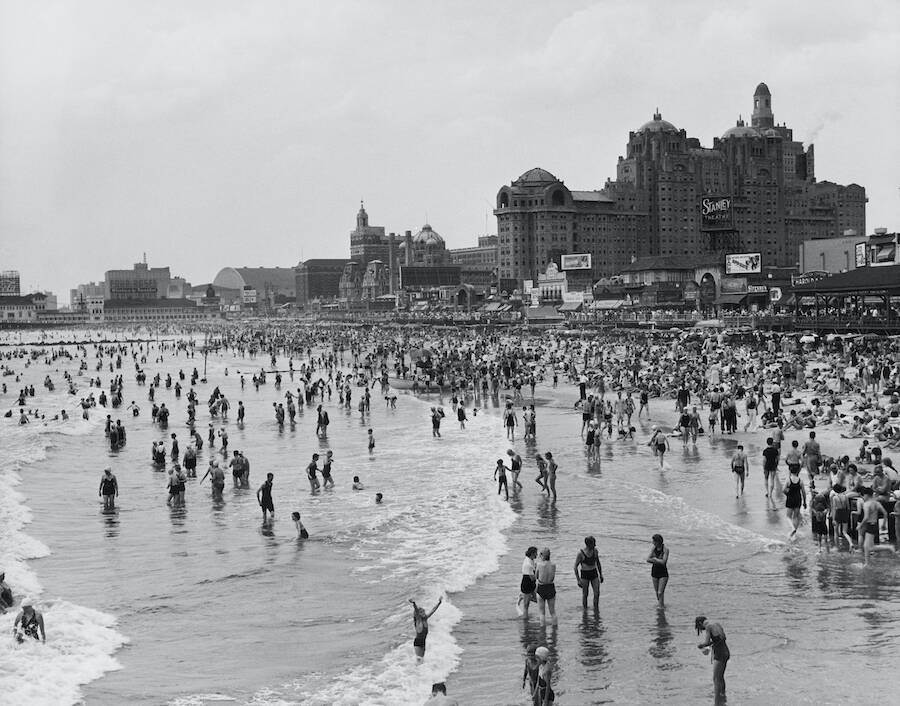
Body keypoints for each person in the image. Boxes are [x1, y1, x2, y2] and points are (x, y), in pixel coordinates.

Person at [695, 616, 729, 704]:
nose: (701, 629)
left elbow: (706, 642)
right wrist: (711, 643)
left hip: (719, 654)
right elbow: (722, 638)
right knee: (721, 677)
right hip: (726, 652)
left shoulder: (708, 627)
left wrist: (701, 645)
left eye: (700, 628)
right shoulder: (717, 624)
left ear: (700, 623)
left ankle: (717, 701)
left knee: (715, 678)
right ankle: (723, 695)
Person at [858, 486, 888, 566]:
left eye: (864, 495)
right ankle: (866, 563)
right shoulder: (877, 503)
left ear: (867, 495)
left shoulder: (866, 504)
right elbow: (885, 513)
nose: (863, 497)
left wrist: (860, 525)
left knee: (868, 547)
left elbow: (866, 517)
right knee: (867, 546)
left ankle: (889, 548)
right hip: (875, 525)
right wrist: (884, 524)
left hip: (869, 525)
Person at [574, 536, 603, 609]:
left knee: (597, 593)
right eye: (593, 544)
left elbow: (598, 563)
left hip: (594, 573)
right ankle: (585, 612)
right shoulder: (580, 553)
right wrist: (578, 580)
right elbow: (575, 567)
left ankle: (596, 610)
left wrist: (601, 575)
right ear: (588, 544)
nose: (595, 545)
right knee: (585, 594)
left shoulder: (595, 551)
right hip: (585, 574)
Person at [535, 548, 557, 625]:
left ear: (542, 555)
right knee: (552, 612)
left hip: (541, 587)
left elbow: (536, 576)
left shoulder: (539, 564)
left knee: (542, 613)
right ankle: (555, 631)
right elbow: (553, 577)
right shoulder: (553, 565)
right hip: (551, 586)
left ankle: (542, 631)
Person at [783, 464, 807, 537]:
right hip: (798, 499)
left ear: (790, 471)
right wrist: (805, 502)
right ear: (798, 472)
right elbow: (803, 492)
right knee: (796, 517)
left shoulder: (788, 480)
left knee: (788, 516)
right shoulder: (800, 481)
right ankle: (794, 534)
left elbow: (783, 490)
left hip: (790, 498)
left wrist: (787, 494)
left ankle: (792, 528)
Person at [647, 533, 669, 606]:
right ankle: (661, 607)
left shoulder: (665, 549)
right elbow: (648, 559)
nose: (652, 543)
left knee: (660, 592)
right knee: (657, 592)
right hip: (654, 572)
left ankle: (661, 607)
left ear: (658, 541)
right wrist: (657, 560)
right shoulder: (653, 548)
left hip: (663, 573)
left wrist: (655, 559)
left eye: (654, 541)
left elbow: (664, 562)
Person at [517, 546, 538, 619]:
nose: (537, 555)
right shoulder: (528, 564)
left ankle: (523, 597)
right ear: (532, 554)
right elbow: (532, 578)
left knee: (536, 600)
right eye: (536, 553)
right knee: (526, 605)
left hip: (531, 582)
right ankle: (525, 619)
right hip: (527, 583)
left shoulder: (531, 560)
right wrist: (540, 575)